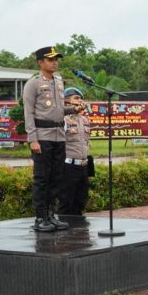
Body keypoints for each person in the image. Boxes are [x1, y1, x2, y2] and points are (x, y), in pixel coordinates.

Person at [23, 46, 84, 231]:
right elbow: (29, 113)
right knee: (42, 178)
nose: (55, 62)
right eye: (50, 59)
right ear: (40, 63)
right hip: (42, 137)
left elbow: (57, 111)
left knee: (56, 178)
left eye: (56, 59)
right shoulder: (33, 84)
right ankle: (40, 218)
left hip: (59, 136)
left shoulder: (58, 82)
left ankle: (51, 215)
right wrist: (32, 139)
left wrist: (73, 109)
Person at [59, 87, 91, 216]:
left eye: (81, 98)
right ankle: (64, 235)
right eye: (76, 98)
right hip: (68, 167)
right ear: (66, 102)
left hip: (83, 166)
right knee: (66, 202)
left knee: (80, 201)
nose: (80, 101)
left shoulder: (84, 120)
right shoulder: (63, 120)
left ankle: (78, 233)